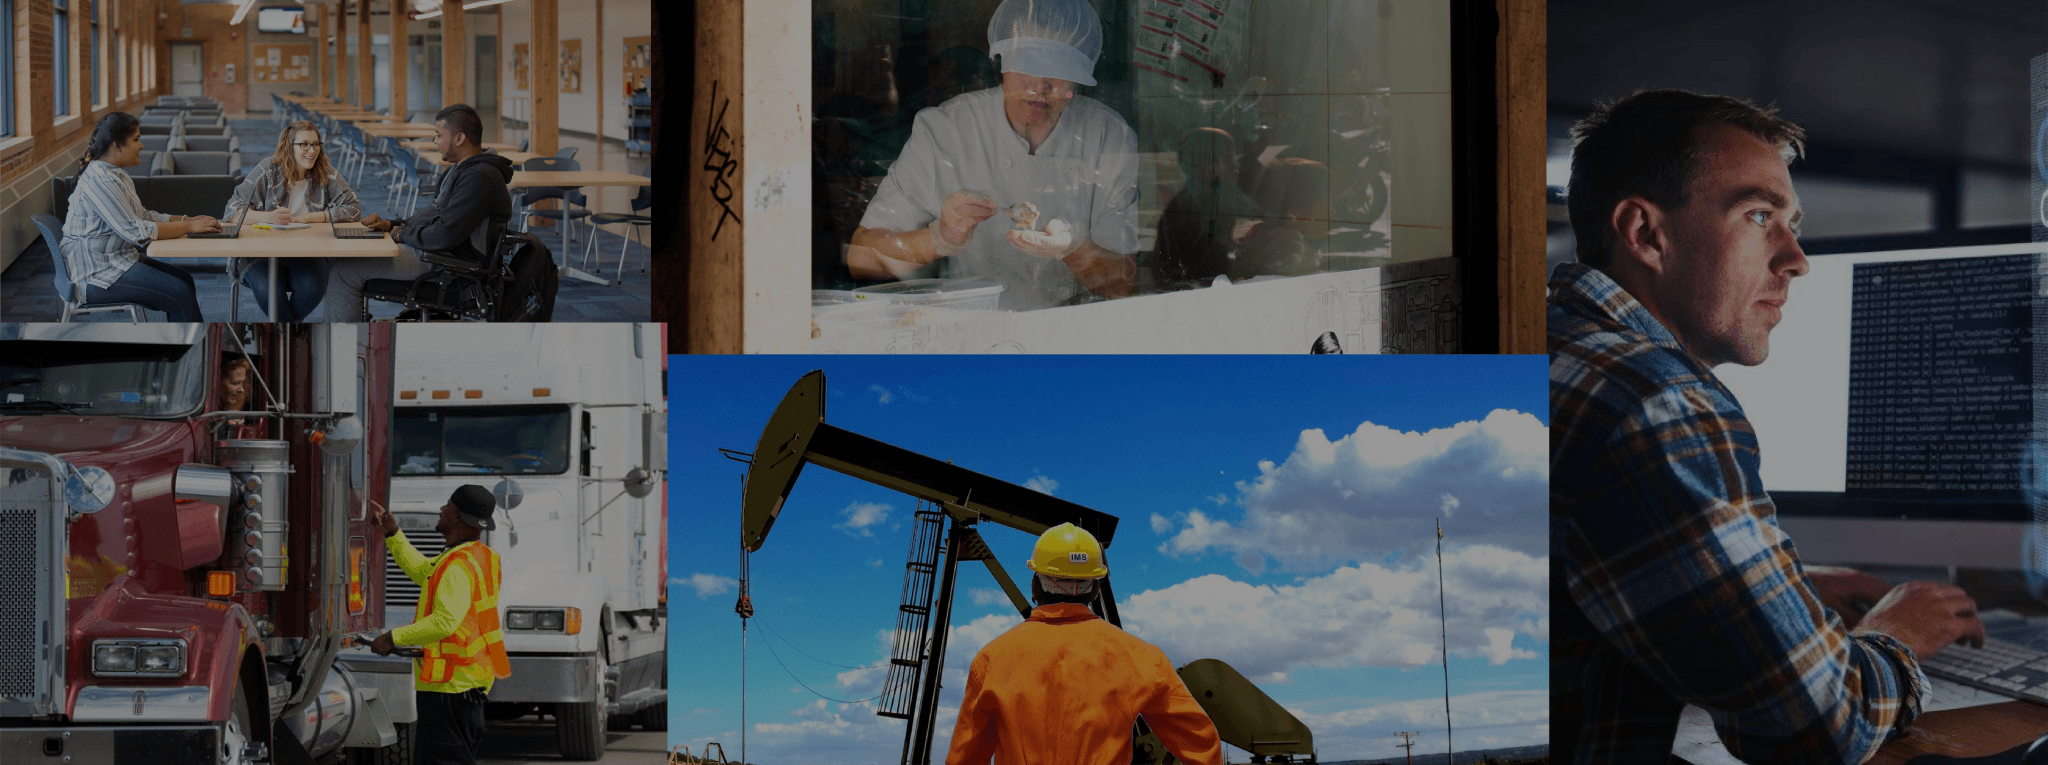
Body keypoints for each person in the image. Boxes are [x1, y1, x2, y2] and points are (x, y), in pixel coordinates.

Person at [1550, 89, 1989, 762]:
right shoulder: (1654, 400)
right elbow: (1817, 726)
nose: (1796, 259)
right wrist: (1896, 633)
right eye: (1759, 215)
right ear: (1644, 234)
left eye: (1794, 222)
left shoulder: (1550, 344)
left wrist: (1787, 587)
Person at [848, 0, 1138, 311]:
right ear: (1003, 63)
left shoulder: (1108, 134)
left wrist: (1074, 246)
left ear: (1078, 77)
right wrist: (939, 238)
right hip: (971, 329)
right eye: (1028, 65)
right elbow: (861, 258)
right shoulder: (947, 129)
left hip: (1068, 332)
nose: (1040, 88)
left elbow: (1121, 284)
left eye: (1058, 71)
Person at [945, 523, 1221, 765]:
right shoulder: (1142, 657)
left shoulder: (992, 659)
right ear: (1095, 588)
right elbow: (1201, 745)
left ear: (1035, 586)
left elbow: (966, 756)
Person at [369, 484, 510, 765]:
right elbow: (423, 571)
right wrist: (392, 534)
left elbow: (445, 622)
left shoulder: (457, 566)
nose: (442, 509)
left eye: (447, 505)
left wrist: (392, 638)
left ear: (457, 516)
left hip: (450, 688)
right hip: (465, 686)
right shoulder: (479, 557)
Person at [345, 104, 515, 321]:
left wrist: (399, 234)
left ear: (459, 139)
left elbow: (443, 235)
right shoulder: (461, 169)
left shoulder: (479, 178)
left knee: (346, 270)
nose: (435, 142)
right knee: (350, 252)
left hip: (447, 266)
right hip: (435, 254)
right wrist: (391, 225)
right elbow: (436, 216)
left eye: (438, 136)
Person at [61, 112, 222, 321]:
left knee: (184, 280)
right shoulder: (101, 181)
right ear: (117, 145)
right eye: (136, 140)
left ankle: (179, 339)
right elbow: (137, 232)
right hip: (94, 274)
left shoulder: (116, 174)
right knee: (180, 294)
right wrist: (190, 228)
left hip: (115, 259)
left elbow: (142, 216)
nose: (142, 146)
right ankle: (186, 348)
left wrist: (185, 220)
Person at [224, 120, 363, 322]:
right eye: (304, 144)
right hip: (260, 253)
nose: (312, 151)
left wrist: (311, 217)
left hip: (307, 252)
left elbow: (353, 208)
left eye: (316, 144)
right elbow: (230, 211)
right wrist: (267, 217)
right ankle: (291, 332)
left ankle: (285, 331)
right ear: (290, 146)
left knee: (312, 288)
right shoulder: (268, 169)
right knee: (269, 289)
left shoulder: (324, 171)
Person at [1155, 127, 1253, 289]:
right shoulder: (1189, 207)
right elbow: (1204, 259)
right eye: (1228, 160)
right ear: (1202, 165)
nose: (1235, 166)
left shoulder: (1221, 196)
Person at [214, 356, 267, 440]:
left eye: (243, 383)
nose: (241, 389)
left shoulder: (244, 404)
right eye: (235, 383)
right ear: (218, 381)